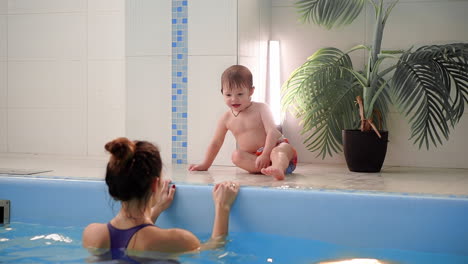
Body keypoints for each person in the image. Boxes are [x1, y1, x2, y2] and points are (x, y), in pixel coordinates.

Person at [82, 137, 239, 261]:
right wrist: (222, 207)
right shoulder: (176, 239)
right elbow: (215, 252)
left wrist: (156, 210)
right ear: (155, 184)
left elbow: (129, 238)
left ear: (113, 185)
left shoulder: (92, 234)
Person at [189, 65, 297, 180]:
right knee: (236, 156)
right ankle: (269, 169)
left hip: (277, 149)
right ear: (222, 93)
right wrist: (205, 164)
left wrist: (266, 154)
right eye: (228, 95)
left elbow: (272, 132)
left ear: (251, 91)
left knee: (279, 150)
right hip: (256, 159)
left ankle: (278, 168)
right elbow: (216, 142)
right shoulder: (226, 118)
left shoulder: (261, 108)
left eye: (240, 94)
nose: (234, 99)